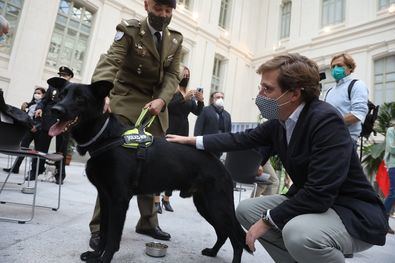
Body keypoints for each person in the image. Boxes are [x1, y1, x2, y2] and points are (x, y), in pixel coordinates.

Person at [167, 53, 388, 262]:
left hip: (349, 211)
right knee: (246, 211)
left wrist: (268, 220)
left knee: (298, 234)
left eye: (267, 88)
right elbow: (240, 139)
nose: (260, 95)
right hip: (315, 202)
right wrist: (193, 141)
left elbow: (320, 192)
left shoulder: (326, 121)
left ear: (294, 93)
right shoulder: (281, 121)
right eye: (261, 87)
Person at [88, 0, 182, 249]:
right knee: (113, 167)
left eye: (168, 11)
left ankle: (148, 222)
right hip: (127, 102)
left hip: (155, 107)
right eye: (158, 9)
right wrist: (101, 92)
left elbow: (173, 74)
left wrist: (162, 99)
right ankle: (101, 227)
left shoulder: (175, 40)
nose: (163, 15)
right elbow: (111, 61)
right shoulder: (129, 30)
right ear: (147, 5)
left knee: (154, 166)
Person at [154, 66, 204, 213]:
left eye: (188, 74)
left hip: (183, 130)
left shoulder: (186, 92)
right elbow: (167, 107)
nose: (186, 76)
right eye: (184, 73)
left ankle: (166, 198)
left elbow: (197, 112)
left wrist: (200, 101)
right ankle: (156, 199)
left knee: (174, 165)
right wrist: (184, 98)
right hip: (169, 127)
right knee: (162, 164)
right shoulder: (172, 90)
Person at [29, 66, 73, 184]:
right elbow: (44, 100)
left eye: (64, 75)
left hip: (63, 122)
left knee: (61, 151)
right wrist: (39, 108)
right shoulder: (52, 86)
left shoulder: (71, 88)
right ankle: (35, 172)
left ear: (70, 77)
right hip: (48, 120)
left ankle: (60, 175)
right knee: (40, 149)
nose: (61, 77)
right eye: (60, 75)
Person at [324, 53, 369, 143]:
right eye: (333, 67)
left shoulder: (357, 85)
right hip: (328, 139)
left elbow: (358, 113)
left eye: (339, 65)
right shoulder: (329, 91)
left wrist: (331, 123)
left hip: (346, 140)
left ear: (350, 68)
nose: (335, 69)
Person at [3, 86, 46, 174]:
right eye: (35, 93)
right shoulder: (31, 104)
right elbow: (26, 117)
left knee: (38, 150)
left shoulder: (44, 105)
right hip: (29, 129)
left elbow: (45, 119)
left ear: (43, 95)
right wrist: (23, 109)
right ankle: (15, 168)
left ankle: (37, 169)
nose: (36, 95)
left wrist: (36, 127)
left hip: (39, 130)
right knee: (23, 148)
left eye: (39, 93)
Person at [194, 91, 231, 158]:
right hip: (207, 144)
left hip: (220, 145)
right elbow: (198, 128)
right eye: (218, 97)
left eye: (222, 97)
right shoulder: (205, 111)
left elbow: (228, 132)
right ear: (212, 99)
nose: (220, 99)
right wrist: (196, 143)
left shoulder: (227, 115)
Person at [384, 123, 395, 234]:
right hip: (393, 165)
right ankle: (382, 221)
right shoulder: (391, 130)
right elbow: (392, 149)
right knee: (393, 193)